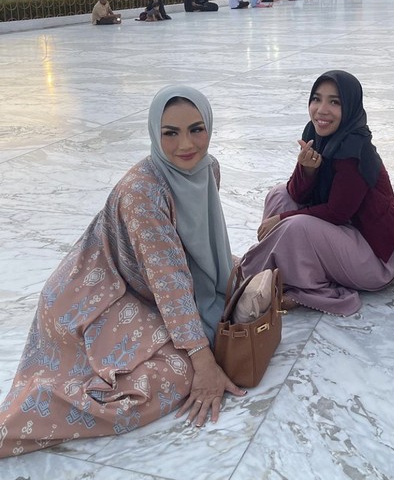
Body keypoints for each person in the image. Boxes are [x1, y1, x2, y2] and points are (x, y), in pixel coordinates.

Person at [0, 86, 245, 457]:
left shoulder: (207, 168)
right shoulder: (142, 192)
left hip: (140, 286)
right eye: (170, 133)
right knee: (179, 374)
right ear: (153, 133)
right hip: (92, 297)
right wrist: (203, 361)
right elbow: (168, 280)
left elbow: (194, 247)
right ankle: (22, 421)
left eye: (197, 129)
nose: (186, 145)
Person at [240, 70, 394, 315]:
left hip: (375, 258)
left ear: (350, 106)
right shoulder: (315, 132)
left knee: (294, 226)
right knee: (278, 195)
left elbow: (337, 212)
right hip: (344, 236)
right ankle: (280, 274)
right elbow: (295, 194)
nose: (322, 110)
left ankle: (260, 277)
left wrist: (281, 220)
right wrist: (307, 171)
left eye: (334, 102)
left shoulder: (355, 149)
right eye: (316, 99)